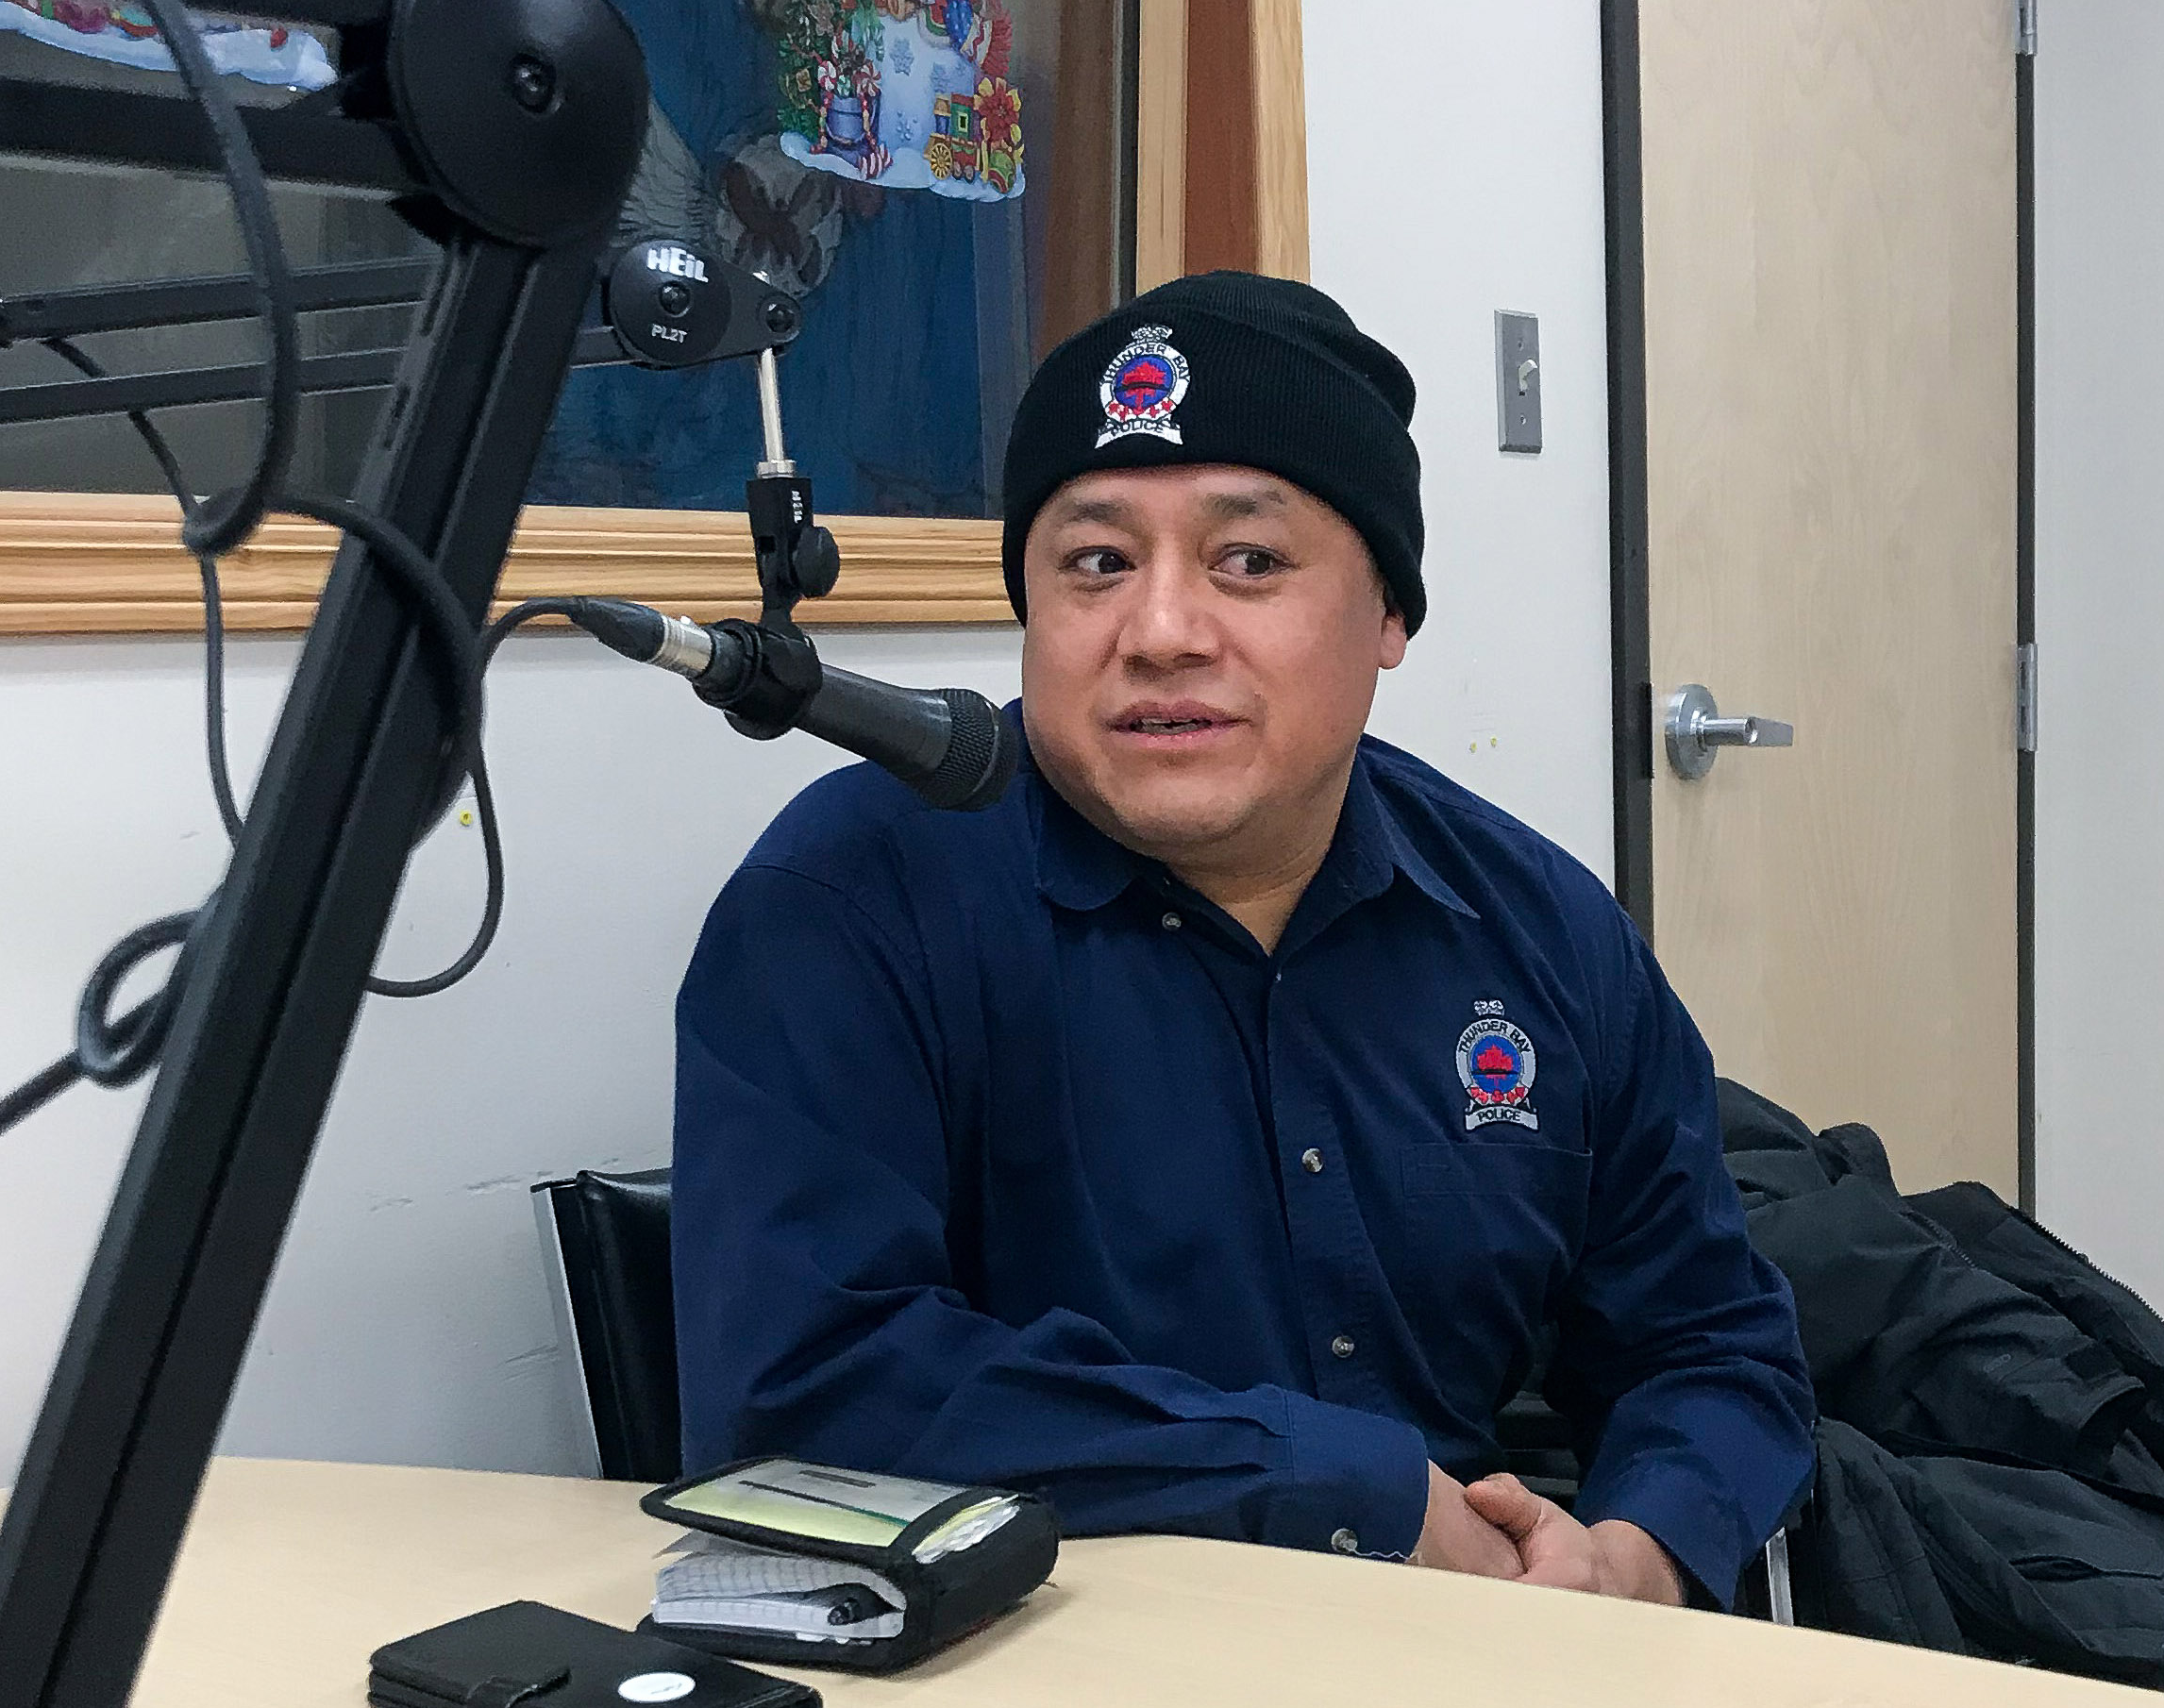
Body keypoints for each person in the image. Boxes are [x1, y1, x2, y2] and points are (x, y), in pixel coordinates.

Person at [670, 272, 1813, 1606]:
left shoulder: (1540, 930)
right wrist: (1343, 1490)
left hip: (1467, 1680)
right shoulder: (853, 900)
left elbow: (1712, 1340)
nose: (1159, 634)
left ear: (1389, 616)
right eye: (1096, 563)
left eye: (1249, 562)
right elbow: (801, 1392)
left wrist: (1641, 1555)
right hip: (1026, 1706)